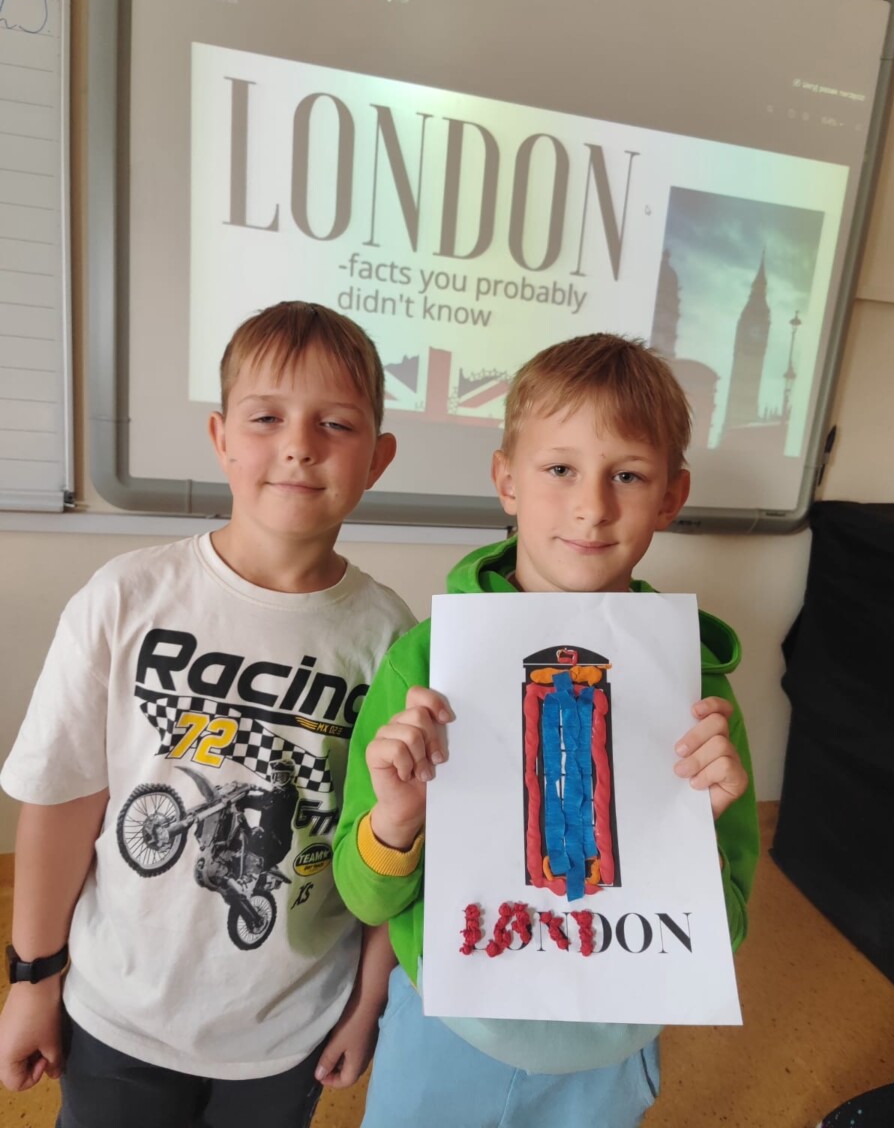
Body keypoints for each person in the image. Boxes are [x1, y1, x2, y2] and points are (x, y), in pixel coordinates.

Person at [0, 301, 416, 1128]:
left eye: (336, 423)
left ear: (377, 458)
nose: (299, 445)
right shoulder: (127, 596)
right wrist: (31, 979)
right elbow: (62, 798)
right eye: (266, 418)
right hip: (118, 1013)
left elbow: (392, 839)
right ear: (222, 438)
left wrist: (368, 1006)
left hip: (289, 1027)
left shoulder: (391, 638)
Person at [333, 332, 760, 1128]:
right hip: (449, 1027)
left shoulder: (694, 690)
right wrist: (396, 820)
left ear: (671, 496)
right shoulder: (425, 662)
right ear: (507, 480)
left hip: (611, 1046)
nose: (593, 506)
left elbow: (724, 931)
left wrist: (689, 838)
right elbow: (365, 895)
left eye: (628, 475)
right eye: (560, 468)